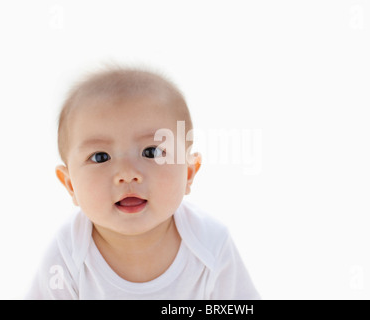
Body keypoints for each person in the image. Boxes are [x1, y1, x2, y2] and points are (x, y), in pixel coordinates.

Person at [26, 64, 260, 299]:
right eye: (100, 157)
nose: (127, 174)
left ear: (188, 173)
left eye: (152, 152)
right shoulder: (66, 257)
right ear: (70, 185)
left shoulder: (211, 246)